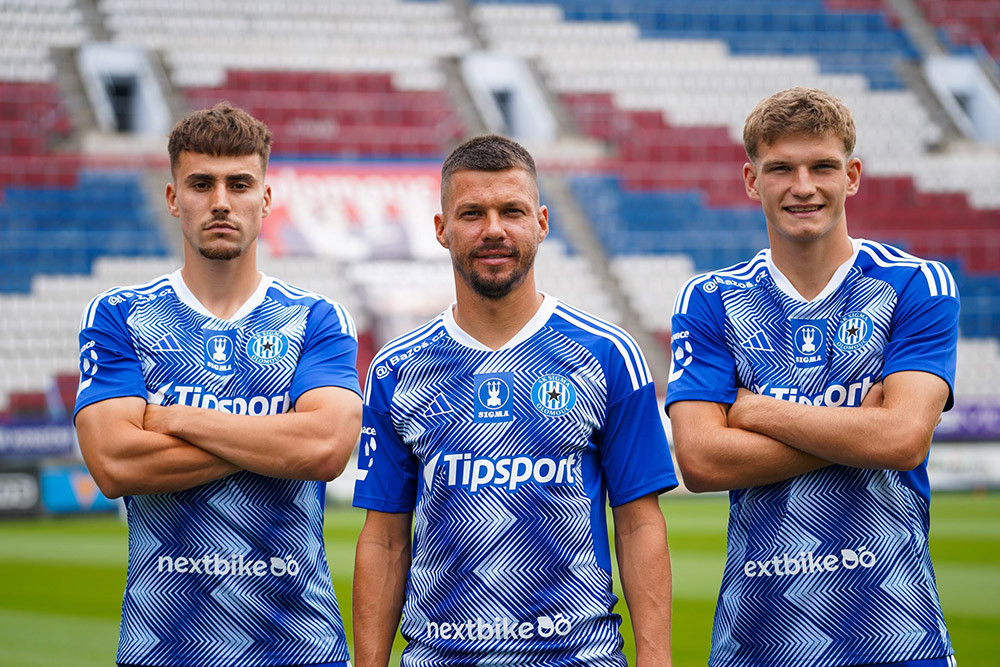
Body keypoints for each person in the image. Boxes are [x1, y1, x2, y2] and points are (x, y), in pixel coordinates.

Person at [352, 135, 677, 667]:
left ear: (542, 223)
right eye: (472, 214)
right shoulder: (396, 368)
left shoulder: (608, 355)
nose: (493, 229)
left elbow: (639, 523)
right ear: (441, 229)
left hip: (578, 657)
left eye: (512, 211)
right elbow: (385, 539)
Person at [665, 87, 959, 667]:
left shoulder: (917, 284)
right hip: (757, 641)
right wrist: (861, 429)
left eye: (822, 166)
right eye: (781, 169)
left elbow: (902, 440)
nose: (803, 187)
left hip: (897, 636)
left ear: (851, 176)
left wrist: (755, 411)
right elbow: (700, 463)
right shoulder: (710, 298)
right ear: (752, 181)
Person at [74, 102, 363, 667]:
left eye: (240, 184)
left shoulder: (316, 318)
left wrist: (176, 418)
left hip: (301, 646)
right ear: (173, 197)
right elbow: (114, 463)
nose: (222, 202)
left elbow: (326, 449)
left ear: (266, 198)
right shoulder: (119, 315)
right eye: (202, 184)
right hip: (164, 646)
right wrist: (277, 440)